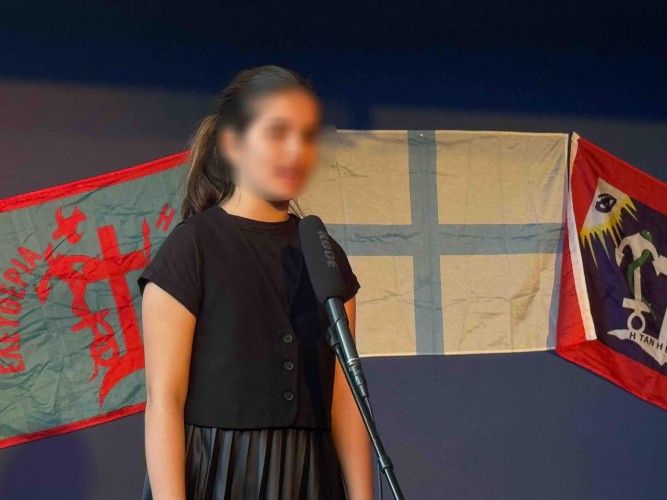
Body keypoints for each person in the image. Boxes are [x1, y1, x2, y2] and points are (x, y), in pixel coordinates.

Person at [138, 65, 374, 499]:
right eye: (278, 133)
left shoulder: (325, 255)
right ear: (233, 143)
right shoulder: (193, 247)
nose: (295, 150)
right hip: (217, 471)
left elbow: (346, 402)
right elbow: (164, 400)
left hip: (310, 474)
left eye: (307, 136)